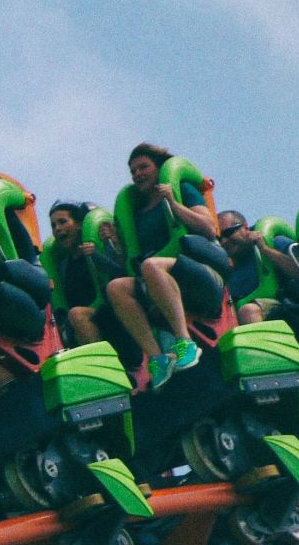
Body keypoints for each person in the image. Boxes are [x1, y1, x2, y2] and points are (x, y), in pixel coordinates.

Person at [103, 142, 217, 387]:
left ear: (160, 168)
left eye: (143, 167)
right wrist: (113, 243)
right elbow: (131, 260)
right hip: (155, 273)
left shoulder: (183, 189)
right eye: (133, 171)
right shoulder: (139, 211)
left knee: (151, 266)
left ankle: (185, 342)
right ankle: (157, 358)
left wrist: (174, 205)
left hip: (197, 268)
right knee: (116, 287)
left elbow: (209, 228)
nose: (138, 174)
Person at [47, 202, 121, 345]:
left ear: (79, 225)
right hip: (80, 325)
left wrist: (96, 256)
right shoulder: (62, 267)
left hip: (110, 318)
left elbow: (120, 275)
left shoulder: (99, 249)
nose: (58, 229)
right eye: (53, 226)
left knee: (77, 315)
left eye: (62, 222)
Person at [218, 209, 299, 325]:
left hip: (285, 306)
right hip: (238, 320)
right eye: (219, 239)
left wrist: (265, 249)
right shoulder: (226, 270)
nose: (224, 241)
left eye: (228, 233)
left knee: (249, 311)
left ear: (245, 228)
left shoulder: (272, 242)